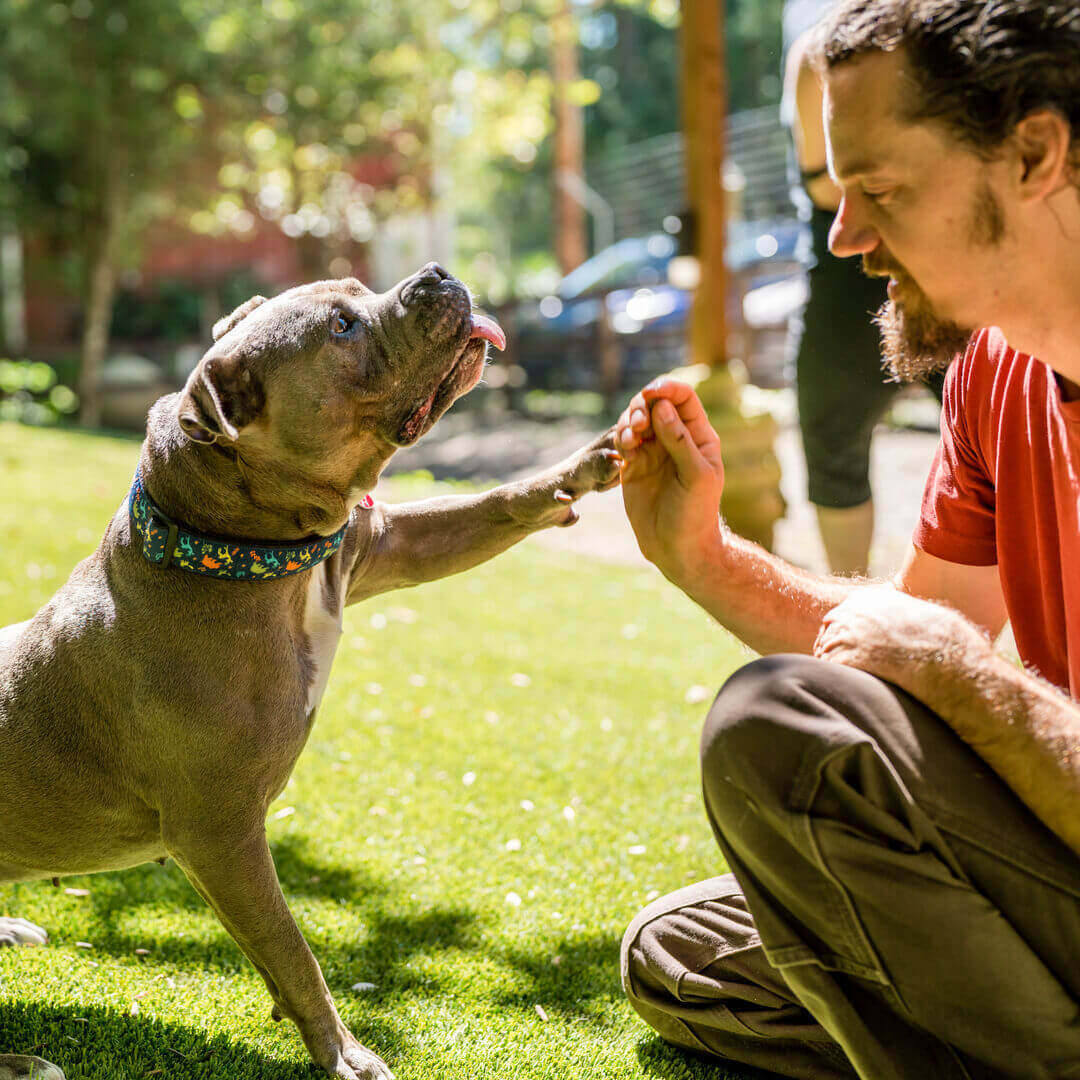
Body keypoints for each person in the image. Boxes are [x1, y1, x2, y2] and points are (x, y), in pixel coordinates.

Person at [615, 1, 1080, 1076]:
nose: (843, 238)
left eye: (879, 191)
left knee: (778, 728)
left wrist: (971, 685)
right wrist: (704, 557)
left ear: (1035, 153)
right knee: (682, 953)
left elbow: (941, 672)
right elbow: (908, 656)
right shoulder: (993, 372)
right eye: (834, 193)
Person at [782, 0, 942, 575]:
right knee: (831, 445)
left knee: (1005, 429)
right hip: (847, 281)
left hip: (942, 258)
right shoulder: (817, 50)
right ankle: (852, 603)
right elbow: (830, 191)